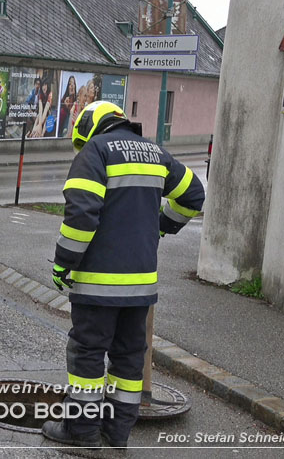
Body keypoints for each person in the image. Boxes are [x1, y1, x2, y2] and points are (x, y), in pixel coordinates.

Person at [43, 101, 204, 449]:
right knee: (129, 358)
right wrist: (163, 224)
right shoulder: (155, 153)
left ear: (87, 127)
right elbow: (194, 195)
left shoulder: (95, 152)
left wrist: (63, 263)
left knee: (87, 354)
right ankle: (116, 434)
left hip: (97, 286)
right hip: (140, 288)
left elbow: (82, 216)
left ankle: (81, 432)